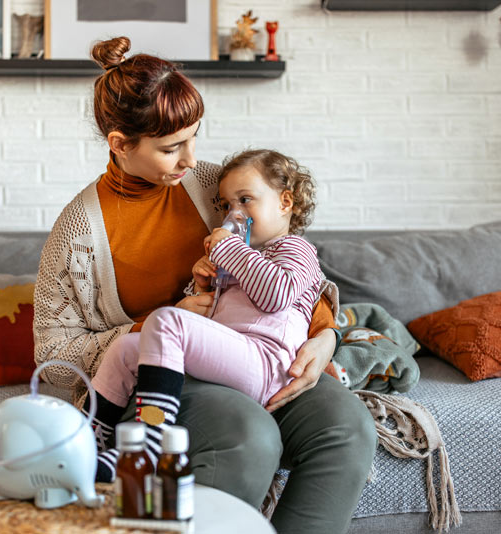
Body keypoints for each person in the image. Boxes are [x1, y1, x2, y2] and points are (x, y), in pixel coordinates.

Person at [33, 36, 377, 534]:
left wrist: (326, 337)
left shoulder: (216, 187)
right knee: (248, 434)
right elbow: (54, 355)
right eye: (172, 147)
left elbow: (290, 266)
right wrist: (156, 323)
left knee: (346, 427)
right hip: (162, 381)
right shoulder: (78, 231)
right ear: (120, 144)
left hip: (258, 355)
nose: (191, 159)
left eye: (195, 137)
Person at [86, 148, 340, 482]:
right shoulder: (242, 259)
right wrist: (200, 284)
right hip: (235, 354)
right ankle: (91, 440)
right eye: (226, 205)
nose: (234, 213)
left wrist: (228, 249)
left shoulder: (296, 249)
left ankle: (148, 443)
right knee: (126, 348)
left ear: (285, 202)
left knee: (165, 320)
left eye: (246, 200)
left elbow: (276, 295)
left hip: (267, 364)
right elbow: (206, 320)